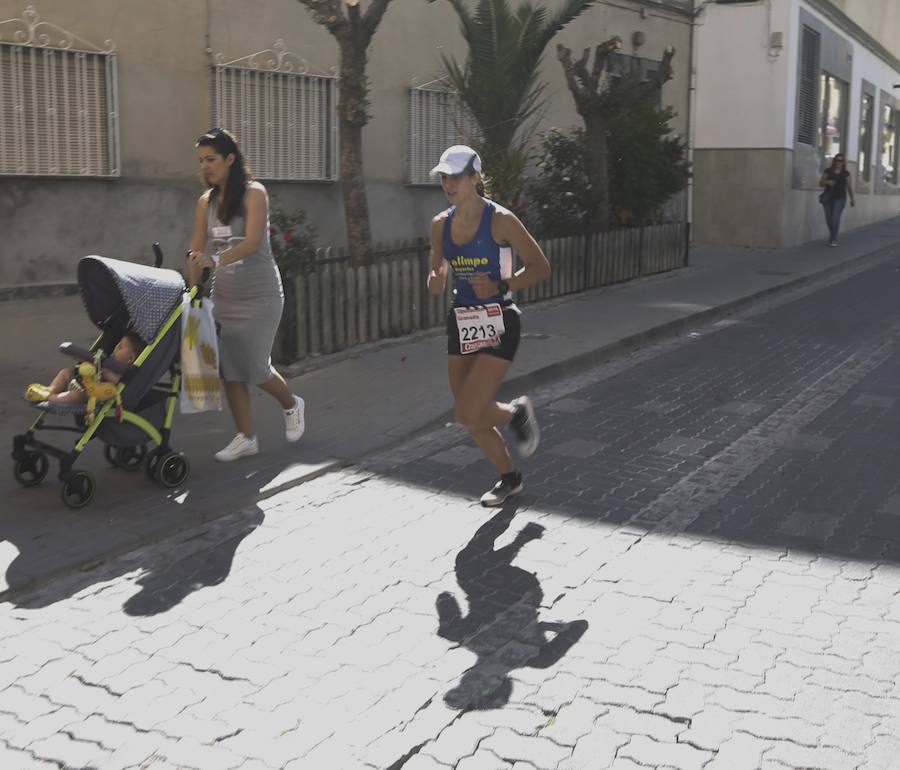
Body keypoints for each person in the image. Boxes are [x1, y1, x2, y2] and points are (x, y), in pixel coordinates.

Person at [427, 145, 551, 507]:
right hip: (462, 320)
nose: (449, 183)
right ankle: (509, 478)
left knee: (467, 410)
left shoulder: (501, 220)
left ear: (475, 178)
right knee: (472, 414)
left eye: (457, 176)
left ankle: (514, 415)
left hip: (499, 319)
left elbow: (541, 268)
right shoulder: (440, 225)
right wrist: (434, 279)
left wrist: (501, 285)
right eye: (444, 177)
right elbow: (436, 272)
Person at [186, 128, 305, 461]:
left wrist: (216, 260)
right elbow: (196, 249)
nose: (205, 166)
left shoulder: (254, 193)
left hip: (261, 294)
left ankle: (292, 404)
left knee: (254, 366)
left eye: (211, 159)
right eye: (201, 161)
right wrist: (192, 287)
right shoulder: (205, 203)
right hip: (225, 295)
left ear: (230, 159)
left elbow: (252, 242)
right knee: (229, 368)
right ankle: (246, 436)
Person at [24, 332, 144, 405]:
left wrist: (107, 374)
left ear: (130, 359)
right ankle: (50, 390)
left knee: (76, 396)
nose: (115, 348)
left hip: (90, 395)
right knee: (65, 372)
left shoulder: (123, 371)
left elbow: (119, 385)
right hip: (82, 382)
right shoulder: (109, 361)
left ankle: (49, 398)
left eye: (121, 347)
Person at [819, 153, 855, 246]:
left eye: (840, 161)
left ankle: (833, 239)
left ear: (843, 163)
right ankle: (833, 234)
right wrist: (827, 181)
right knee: (829, 219)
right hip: (828, 197)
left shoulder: (846, 174)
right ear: (834, 161)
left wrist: (852, 199)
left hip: (840, 198)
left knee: (835, 217)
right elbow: (821, 183)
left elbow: (849, 187)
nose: (838, 163)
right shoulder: (828, 171)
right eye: (837, 160)